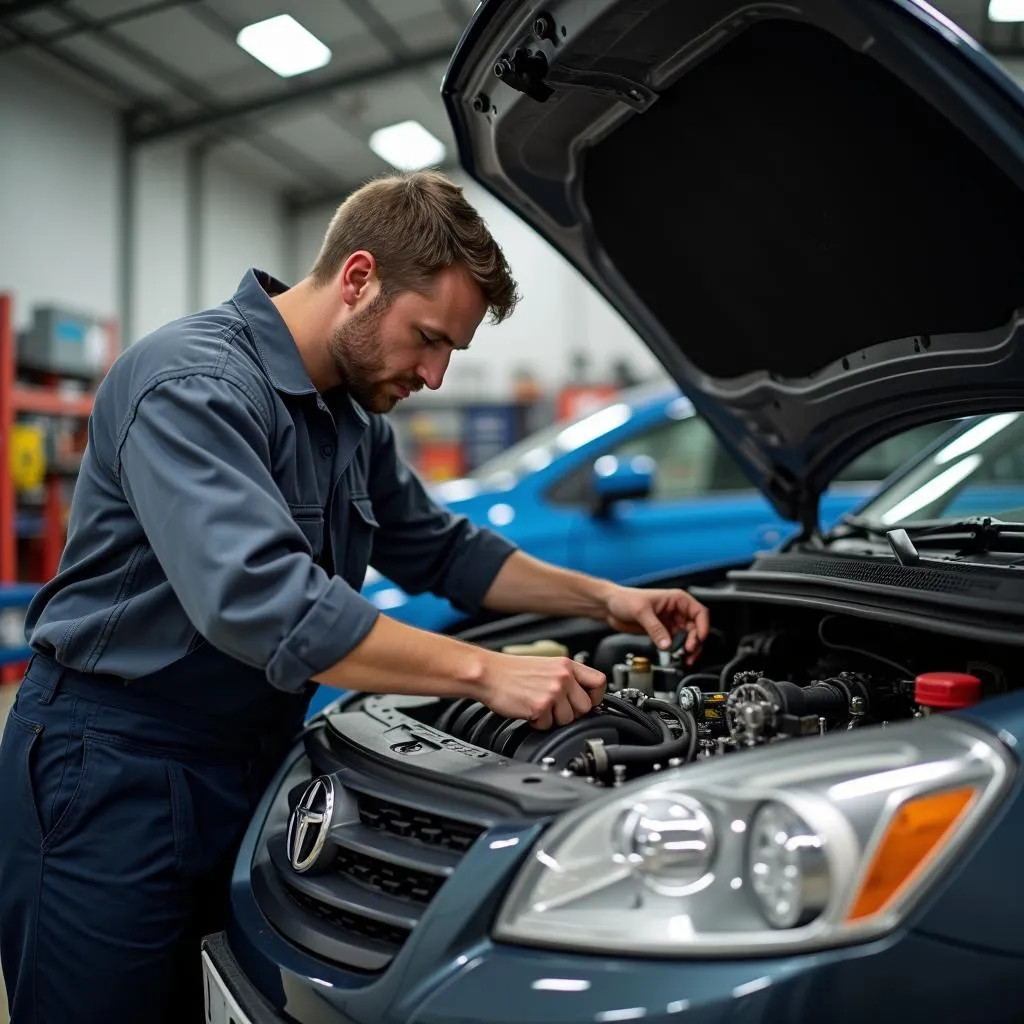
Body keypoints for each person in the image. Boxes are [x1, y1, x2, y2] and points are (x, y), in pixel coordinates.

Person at [0, 170, 709, 1023]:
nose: (437, 375)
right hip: (112, 766)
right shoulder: (191, 384)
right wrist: (489, 675)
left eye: (452, 351)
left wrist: (606, 599)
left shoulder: (349, 419)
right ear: (359, 278)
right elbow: (267, 603)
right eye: (429, 339)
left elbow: (442, 550)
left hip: (250, 760)